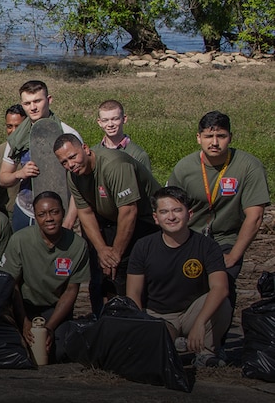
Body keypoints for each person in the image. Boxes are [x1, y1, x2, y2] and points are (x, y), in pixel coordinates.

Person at [167, 111, 270, 306]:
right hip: (190, 236)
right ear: (199, 138)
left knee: (222, 287)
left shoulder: (249, 166)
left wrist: (233, 256)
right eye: (208, 136)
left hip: (227, 237)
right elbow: (171, 210)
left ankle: (219, 333)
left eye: (221, 136)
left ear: (230, 137)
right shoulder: (184, 168)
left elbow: (255, 216)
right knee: (186, 288)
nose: (214, 142)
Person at [53, 133, 159, 316]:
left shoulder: (114, 166)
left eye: (73, 157)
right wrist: (102, 249)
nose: (70, 164)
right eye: (64, 162)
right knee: (100, 269)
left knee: (121, 269)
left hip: (145, 218)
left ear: (85, 149)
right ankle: (102, 318)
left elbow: (129, 211)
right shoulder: (74, 176)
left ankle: (135, 317)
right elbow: (85, 212)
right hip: (109, 218)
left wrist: (115, 253)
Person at [128, 186, 231, 368]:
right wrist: (141, 325)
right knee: (153, 347)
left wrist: (200, 322)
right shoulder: (143, 246)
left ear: (189, 214)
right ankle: (174, 345)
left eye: (177, 210)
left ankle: (206, 353)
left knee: (222, 302)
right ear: (156, 218)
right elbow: (133, 292)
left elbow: (220, 287)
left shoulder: (207, 246)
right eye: (164, 212)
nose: (171, 217)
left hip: (193, 312)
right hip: (159, 315)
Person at [0, 191, 89, 358]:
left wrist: (50, 327)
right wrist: (24, 321)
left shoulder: (78, 245)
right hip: (23, 306)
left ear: (63, 212)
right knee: (16, 349)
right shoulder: (20, 240)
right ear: (36, 216)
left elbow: (71, 290)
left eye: (54, 212)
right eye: (42, 214)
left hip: (54, 308)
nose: (49, 218)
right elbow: (12, 284)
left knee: (60, 351)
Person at [0, 80, 80, 231]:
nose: (33, 107)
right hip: (26, 210)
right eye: (27, 103)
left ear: (49, 100)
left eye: (37, 101)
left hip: (60, 212)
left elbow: (80, 182)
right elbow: (3, 179)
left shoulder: (67, 134)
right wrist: (19, 174)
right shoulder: (17, 138)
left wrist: (69, 220)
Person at [0, 105, 26, 215]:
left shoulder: (36, 151)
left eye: (18, 126)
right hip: (6, 213)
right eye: (9, 126)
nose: (13, 131)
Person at [95, 99, 152, 173]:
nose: (110, 124)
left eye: (115, 119)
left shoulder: (138, 155)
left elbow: (147, 183)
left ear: (124, 119)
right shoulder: (94, 152)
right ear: (99, 122)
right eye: (105, 120)